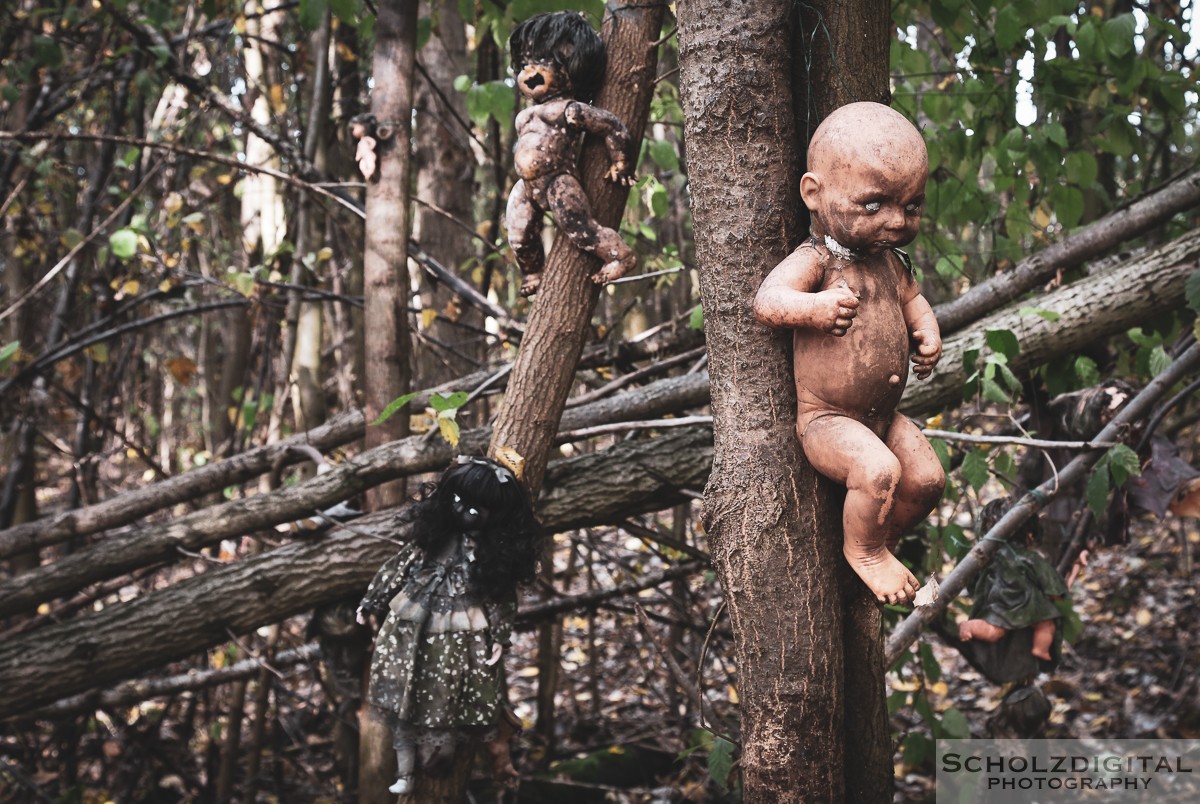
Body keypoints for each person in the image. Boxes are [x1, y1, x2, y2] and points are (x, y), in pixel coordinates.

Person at [752, 101, 945, 606]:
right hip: (828, 421)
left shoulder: (889, 262)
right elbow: (768, 302)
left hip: (883, 415)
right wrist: (815, 309)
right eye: (875, 204)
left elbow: (914, 302)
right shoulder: (816, 260)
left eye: (913, 206)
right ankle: (864, 551)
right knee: (878, 472)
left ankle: (880, 534)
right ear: (814, 194)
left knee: (926, 479)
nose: (898, 221)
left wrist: (927, 332)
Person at [357, 455, 543, 794]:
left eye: (477, 509)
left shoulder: (487, 553)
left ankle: (440, 746)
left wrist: (500, 635)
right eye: (457, 500)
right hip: (416, 617)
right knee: (413, 676)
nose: (463, 511)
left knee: (449, 682)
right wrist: (373, 599)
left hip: (461, 625)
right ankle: (412, 757)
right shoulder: (434, 539)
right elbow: (399, 565)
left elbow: (501, 596)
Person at [505, 11, 636, 296]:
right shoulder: (525, 117)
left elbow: (612, 126)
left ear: (572, 68)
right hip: (527, 186)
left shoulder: (570, 110)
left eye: (543, 62)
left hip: (557, 182)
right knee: (517, 231)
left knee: (581, 229)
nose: (530, 71)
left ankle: (620, 255)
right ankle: (532, 272)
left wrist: (621, 161)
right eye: (526, 63)